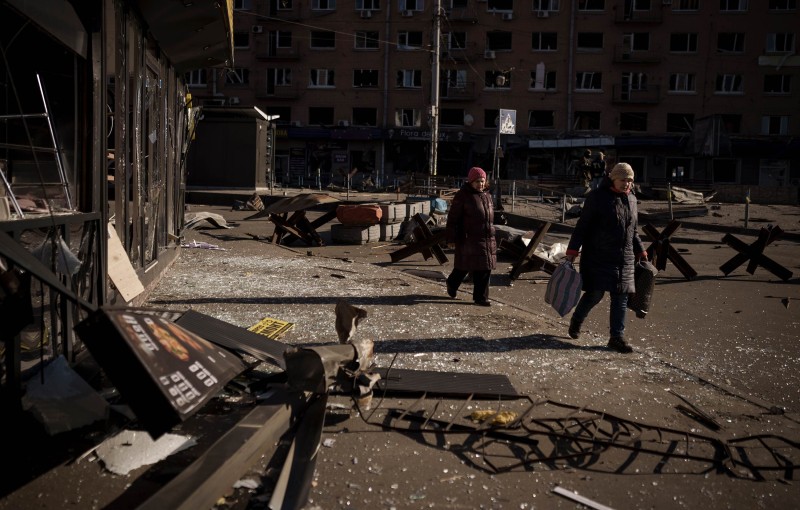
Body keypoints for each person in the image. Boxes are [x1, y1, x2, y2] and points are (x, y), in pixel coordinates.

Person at [564, 162, 647, 353]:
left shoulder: (632, 200)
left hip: (624, 259)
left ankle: (616, 338)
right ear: (613, 179)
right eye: (623, 180)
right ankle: (576, 320)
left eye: (630, 180)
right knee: (595, 294)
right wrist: (572, 252)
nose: (626, 184)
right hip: (598, 256)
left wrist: (641, 251)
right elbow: (582, 227)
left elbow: (633, 231)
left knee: (621, 298)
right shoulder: (597, 198)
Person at [445, 166, 497, 307]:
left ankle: (481, 298)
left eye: (482, 181)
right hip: (468, 238)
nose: (480, 184)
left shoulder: (487, 195)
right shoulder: (463, 196)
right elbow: (452, 219)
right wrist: (451, 238)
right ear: (470, 182)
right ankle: (452, 283)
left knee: (485, 267)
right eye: (477, 181)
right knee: (464, 266)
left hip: (486, 237)